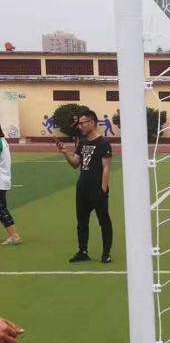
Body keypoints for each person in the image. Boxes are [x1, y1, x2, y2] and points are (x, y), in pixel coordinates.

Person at [57, 110, 113, 263]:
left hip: (97, 188)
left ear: (92, 123)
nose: (80, 126)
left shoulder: (103, 143)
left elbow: (106, 167)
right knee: (82, 221)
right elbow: (76, 164)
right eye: (79, 123)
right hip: (82, 188)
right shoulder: (82, 142)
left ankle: (106, 253)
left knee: (104, 221)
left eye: (82, 123)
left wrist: (103, 188)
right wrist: (65, 153)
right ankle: (83, 251)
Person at [0, 124, 22, 245]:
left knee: (1, 209)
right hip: (3, 179)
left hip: (1, 180)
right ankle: (13, 235)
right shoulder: (3, 141)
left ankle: (14, 235)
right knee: (2, 208)